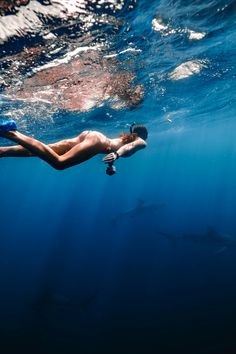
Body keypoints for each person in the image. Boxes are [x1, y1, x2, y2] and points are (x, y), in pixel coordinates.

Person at [0, 121, 148, 171]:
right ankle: (11, 133)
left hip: (92, 136)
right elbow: (125, 149)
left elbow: (115, 148)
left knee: (45, 150)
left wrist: (111, 164)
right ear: (144, 135)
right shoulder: (142, 142)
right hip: (97, 141)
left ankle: (2, 151)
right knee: (59, 163)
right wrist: (117, 155)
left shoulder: (126, 139)